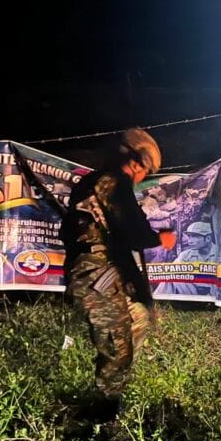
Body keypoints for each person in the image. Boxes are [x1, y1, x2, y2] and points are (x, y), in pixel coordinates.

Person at [62, 129, 177, 409]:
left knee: (139, 317)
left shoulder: (93, 183)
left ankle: (118, 386)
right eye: (145, 172)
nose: (141, 178)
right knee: (117, 343)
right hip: (95, 273)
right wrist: (159, 239)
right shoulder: (113, 183)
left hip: (104, 270)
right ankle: (106, 409)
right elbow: (134, 231)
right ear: (137, 163)